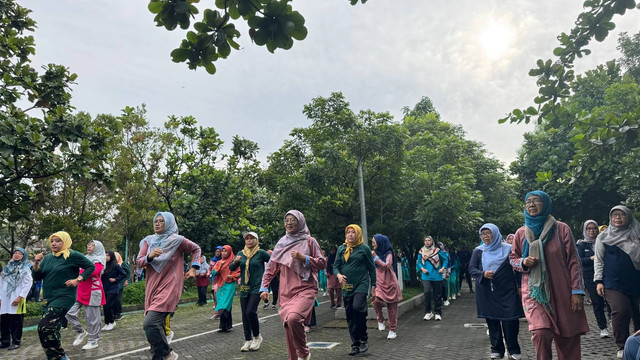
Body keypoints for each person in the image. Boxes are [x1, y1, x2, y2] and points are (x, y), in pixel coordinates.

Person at [509, 190, 589, 360]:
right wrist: (523, 262)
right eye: (528, 202)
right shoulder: (521, 233)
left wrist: (577, 291)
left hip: (563, 291)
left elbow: (574, 262)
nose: (531, 205)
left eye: (536, 201)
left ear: (545, 204)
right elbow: (513, 259)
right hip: (534, 293)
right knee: (540, 332)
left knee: (568, 339)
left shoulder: (561, 229)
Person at [259, 210, 326, 360]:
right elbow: (270, 268)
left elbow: (322, 263)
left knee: (294, 318)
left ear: (300, 222)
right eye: (286, 220)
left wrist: (304, 258)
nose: (289, 223)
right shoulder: (281, 243)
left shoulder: (310, 241)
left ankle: (304, 352)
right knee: (289, 328)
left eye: (292, 220)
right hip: (285, 293)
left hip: (306, 288)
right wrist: (264, 287)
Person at [136, 212, 202, 360]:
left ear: (169, 223)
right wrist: (150, 256)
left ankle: (168, 354)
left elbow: (196, 249)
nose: (157, 223)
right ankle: (160, 357)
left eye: (161, 221)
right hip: (152, 286)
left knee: (150, 324)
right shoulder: (148, 241)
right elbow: (140, 261)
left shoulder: (177, 240)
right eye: (155, 221)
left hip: (170, 285)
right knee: (154, 328)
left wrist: (193, 268)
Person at [33, 231, 96, 360]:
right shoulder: (48, 258)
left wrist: (77, 280)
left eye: (58, 241)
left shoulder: (72, 255)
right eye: (52, 241)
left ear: (65, 241)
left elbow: (91, 266)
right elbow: (37, 276)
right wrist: (36, 263)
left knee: (45, 326)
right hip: (48, 298)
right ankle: (57, 357)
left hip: (64, 296)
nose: (54, 243)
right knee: (50, 329)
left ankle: (59, 356)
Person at [470, 224, 524, 360]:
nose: (486, 236)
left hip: (507, 290)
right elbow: (471, 268)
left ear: (496, 234)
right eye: (483, 234)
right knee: (492, 321)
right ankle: (496, 350)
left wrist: (520, 285)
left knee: (511, 320)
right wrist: (483, 274)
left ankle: (513, 349)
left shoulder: (508, 249)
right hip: (487, 291)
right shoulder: (478, 250)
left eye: (489, 233)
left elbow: (517, 267)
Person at [594, 205, 640, 359]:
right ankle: (622, 344)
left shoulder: (637, 234)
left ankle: (637, 344)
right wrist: (599, 281)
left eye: (622, 215)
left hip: (636, 280)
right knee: (621, 311)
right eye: (615, 215)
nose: (618, 218)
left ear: (628, 217)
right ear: (610, 218)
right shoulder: (603, 237)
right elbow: (599, 260)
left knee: (637, 312)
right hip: (613, 282)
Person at [333, 224, 376, 356]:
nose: (350, 235)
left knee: (358, 308)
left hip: (361, 284)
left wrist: (373, 286)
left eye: (353, 232)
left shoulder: (364, 248)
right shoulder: (341, 249)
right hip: (346, 285)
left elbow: (371, 268)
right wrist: (339, 275)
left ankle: (363, 338)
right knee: (350, 314)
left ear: (357, 234)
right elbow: (335, 266)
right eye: (348, 232)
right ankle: (355, 344)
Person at [229, 232, 270, 351]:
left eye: (251, 238)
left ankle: (257, 337)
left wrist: (268, 280)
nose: (249, 240)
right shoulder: (241, 253)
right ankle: (248, 340)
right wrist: (235, 262)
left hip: (257, 287)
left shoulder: (261, 253)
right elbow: (231, 268)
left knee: (250, 312)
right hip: (244, 288)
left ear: (256, 240)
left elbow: (273, 263)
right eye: (247, 238)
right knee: (244, 315)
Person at [65, 240, 106, 350]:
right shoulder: (84, 257)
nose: (89, 246)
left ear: (98, 248)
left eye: (92, 245)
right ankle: (80, 331)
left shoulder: (99, 260)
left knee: (92, 318)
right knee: (68, 312)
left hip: (93, 291)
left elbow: (93, 272)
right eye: (88, 244)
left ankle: (93, 341)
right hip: (80, 289)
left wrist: (78, 275)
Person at [576, 220, 610, 338]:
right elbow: (579, 261)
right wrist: (591, 258)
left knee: (611, 301)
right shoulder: (581, 245)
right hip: (590, 277)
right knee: (597, 302)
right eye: (589, 229)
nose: (592, 231)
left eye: (594, 228)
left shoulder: (605, 241)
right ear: (585, 230)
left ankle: (614, 322)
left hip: (607, 274)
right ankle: (603, 327)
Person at [0, 248, 32, 350]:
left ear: (23, 256)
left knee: (16, 321)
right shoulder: (7, 268)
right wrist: (0, 297)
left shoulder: (25, 269)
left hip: (17, 296)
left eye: (20, 254)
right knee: (4, 320)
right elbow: (1, 282)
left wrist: (20, 297)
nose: (17, 255)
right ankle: (5, 341)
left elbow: (28, 283)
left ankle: (16, 342)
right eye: (15, 253)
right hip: (5, 297)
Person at [371, 234, 402, 340]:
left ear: (380, 242)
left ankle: (392, 330)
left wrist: (376, 257)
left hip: (390, 283)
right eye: (372, 242)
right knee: (376, 301)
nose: (373, 244)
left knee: (392, 308)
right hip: (379, 283)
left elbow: (386, 265)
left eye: (374, 242)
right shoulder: (374, 254)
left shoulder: (388, 253)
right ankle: (380, 319)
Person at [417, 236, 448, 321]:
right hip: (426, 275)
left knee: (437, 294)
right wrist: (422, 268)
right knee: (427, 292)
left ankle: (438, 312)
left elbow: (445, 259)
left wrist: (443, 268)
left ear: (432, 241)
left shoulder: (437, 251)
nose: (427, 242)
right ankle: (428, 312)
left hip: (437, 275)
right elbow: (419, 262)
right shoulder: (421, 251)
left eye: (429, 240)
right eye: (425, 240)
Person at [211, 245, 240, 332]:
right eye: (222, 251)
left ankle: (226, 326)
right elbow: (213, 273)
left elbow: (238, 272)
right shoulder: (219, 262)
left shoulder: (234, 262)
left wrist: (233, 276)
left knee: (226, 305)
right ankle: (224, 326)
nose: (223, 253)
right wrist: (220, 267)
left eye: (225, 251)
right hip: (220, 285)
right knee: (220, 306)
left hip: (229, 285)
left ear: (229, 252)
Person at [101, 250, 127, 331]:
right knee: (105, 306)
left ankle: (112, 321)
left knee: (108, 304)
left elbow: (124, 274)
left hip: (113, 288)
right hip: (105, 288)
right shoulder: (104, 265)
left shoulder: (115, 265)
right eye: (105, 255)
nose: (106, 257)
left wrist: (116, 279)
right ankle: (107, 322)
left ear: (111, 256)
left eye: (108, 255)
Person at [113, 252, 130, 320]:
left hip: (120, 283)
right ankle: (114, 313)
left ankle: (118, 313)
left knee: (117, 299)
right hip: (113, 283)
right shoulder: (112, 264)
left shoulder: (123, 264)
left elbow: (128, 273)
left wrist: (126, 280)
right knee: (112, 299)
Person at [209, 246, 222, 318]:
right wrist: (209, 273)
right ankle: (217, 312)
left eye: (219, 251)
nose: (217, 253)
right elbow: (210, 268)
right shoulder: (213, 260)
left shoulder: (223, 260)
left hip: (221, 279)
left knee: (220, 295)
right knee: (215, 295)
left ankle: (221, 311)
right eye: (216, 251)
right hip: (214, 279)